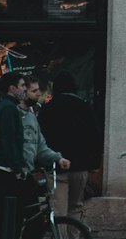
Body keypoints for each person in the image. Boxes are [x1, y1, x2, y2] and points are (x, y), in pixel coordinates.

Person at [0, 74, 70, 239]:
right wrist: (3, 156)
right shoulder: (9, 111)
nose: (38, 94)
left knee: (35, 219)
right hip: (11, 172)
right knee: (12, 218)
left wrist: (57, 158)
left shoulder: (31, 115)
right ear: (20, 91)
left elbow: (40, 146)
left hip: (24, 171)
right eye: (33, 90)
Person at [39, 71, 102, 222]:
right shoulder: (84, 107)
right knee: (76, 206)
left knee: (59, 208)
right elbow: (95, 136)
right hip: (80, 164)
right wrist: (93, 163)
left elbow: (40, 138)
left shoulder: (48, 108)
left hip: (56, 166)